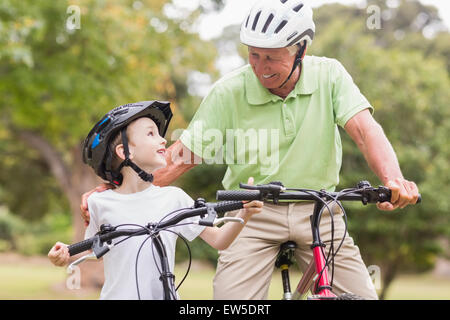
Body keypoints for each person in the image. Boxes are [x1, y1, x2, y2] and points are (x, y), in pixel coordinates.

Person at [80, 0, 420, 300]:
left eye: (272, 57)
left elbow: (364, 130)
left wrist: (394, 180)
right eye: (253, 55)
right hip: (252, 211)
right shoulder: (230, 91)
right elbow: (180, 160)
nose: (261, 67)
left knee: (360, 297)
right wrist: (117, 190)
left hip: (320, 206)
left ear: (300, 49)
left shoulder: (330, 75)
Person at [48, 101, 263, 300]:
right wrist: (66, 254)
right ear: (125, 152)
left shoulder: (174, 199)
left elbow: (220, 241)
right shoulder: (100, 203)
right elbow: (93, 249)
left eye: (159, 134)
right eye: (151, 134)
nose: (163, 140)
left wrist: (245, 214)